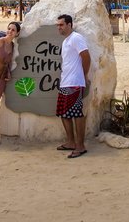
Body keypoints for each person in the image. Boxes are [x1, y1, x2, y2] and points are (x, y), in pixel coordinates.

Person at [55, 14, 91, 159]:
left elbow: (86, 57)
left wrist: (83, 76)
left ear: (70, 24)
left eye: (61, 25)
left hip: (75, 83)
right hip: (65, 82)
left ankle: (80, 146)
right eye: (57, 25)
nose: (59, 27)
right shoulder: (65, 41)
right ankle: (70, 142)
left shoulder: (76, 38)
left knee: (77, 114)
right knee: (64, 113)